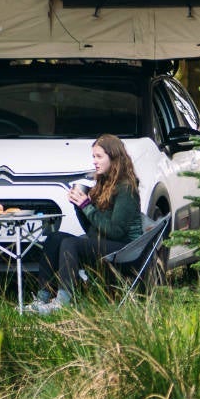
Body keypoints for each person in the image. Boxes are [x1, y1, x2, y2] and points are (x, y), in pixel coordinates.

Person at [28, 133, 145, 314]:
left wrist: (87, 206)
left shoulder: (126, 188)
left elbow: (116, 231)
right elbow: (92, 230)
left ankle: (63, 301)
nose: (95, 161)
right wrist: (79, 206)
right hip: (105, 243)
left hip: (126, 249)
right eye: (93, 156)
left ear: (114, 158)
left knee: (70, 243)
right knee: (54, 238)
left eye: (99, 156)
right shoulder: (103, 182)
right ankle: (43, 297)